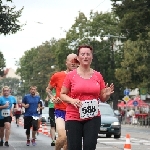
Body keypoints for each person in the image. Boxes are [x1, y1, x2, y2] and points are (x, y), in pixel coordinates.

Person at [60, 45, 114, 150]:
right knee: (74, 147)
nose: (85, 56)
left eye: (88, 54)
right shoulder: (71, 75)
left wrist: (107, 95)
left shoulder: (98, 76)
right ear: (78, 57)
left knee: (90, 147)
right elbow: (62, 94)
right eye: (82, 54)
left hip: (93, 117)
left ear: (91, 57)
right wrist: (72, 100)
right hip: (74, 116)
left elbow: (102, 98)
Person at [46, 53, 79, 150]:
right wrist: (52, 97)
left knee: (69, 142)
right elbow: (48, 89)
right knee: (62, 137)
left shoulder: (81, 77)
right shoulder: (57, 75)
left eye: (75, 61)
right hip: (60, 110)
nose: (73, 63)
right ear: (66, 63)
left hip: (74, 112)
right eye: (71, 61)